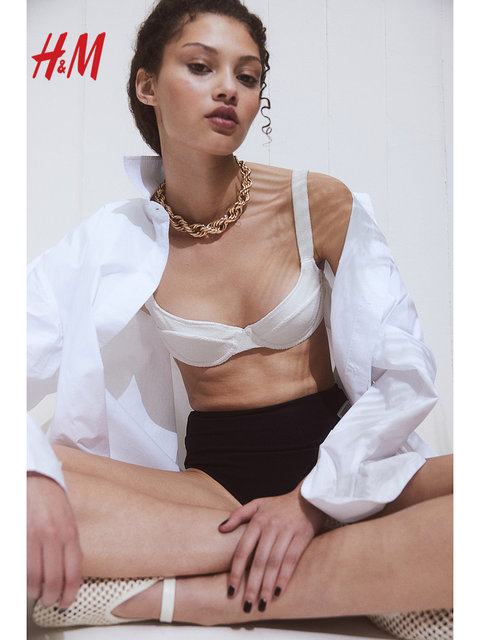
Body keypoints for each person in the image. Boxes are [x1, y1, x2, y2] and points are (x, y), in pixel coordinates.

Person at [27, 0, 452, 636]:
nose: (228, 88)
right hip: (211, 497)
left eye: (248, 77)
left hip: (351, 474)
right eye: (201, 66)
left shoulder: (316, 202)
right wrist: (32, 476)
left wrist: (311, 503)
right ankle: (369, 574)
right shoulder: (111, 239)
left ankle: (197, 596)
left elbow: (404, 372)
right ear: (147, 85)